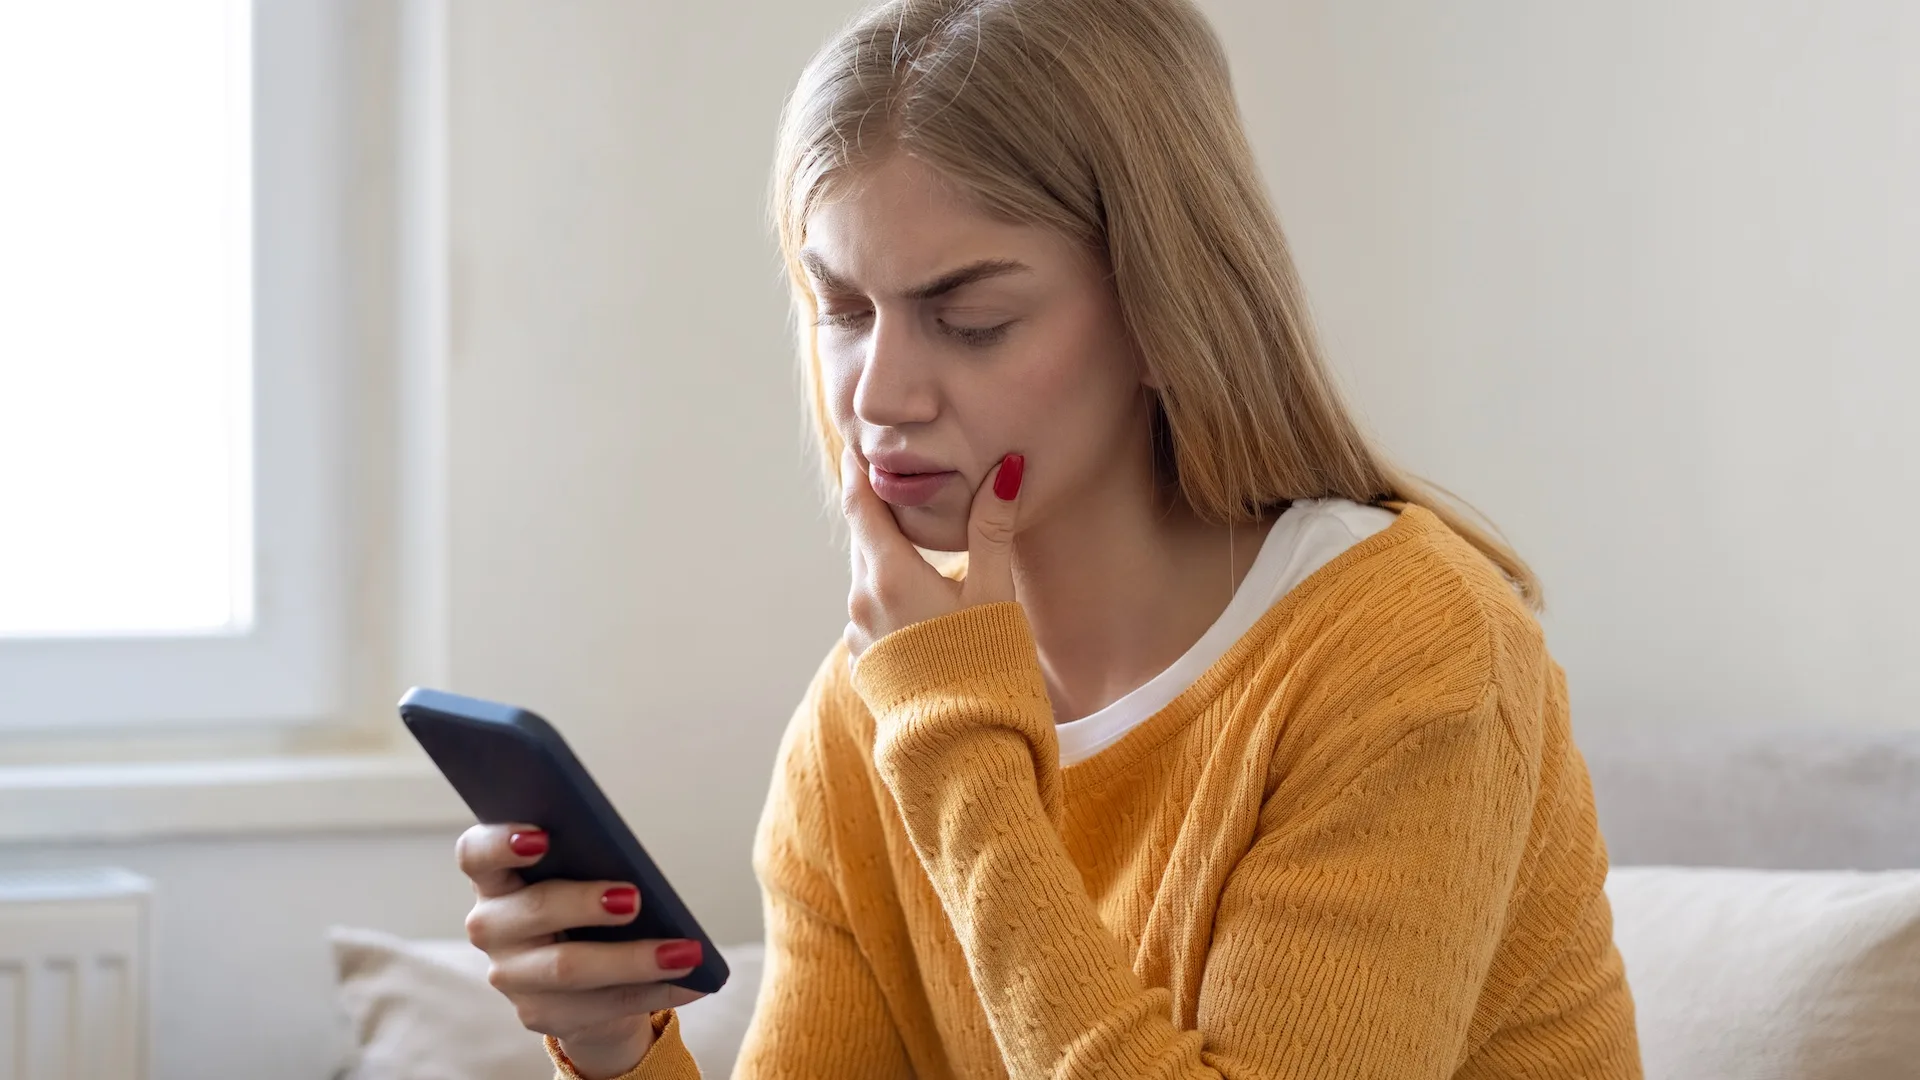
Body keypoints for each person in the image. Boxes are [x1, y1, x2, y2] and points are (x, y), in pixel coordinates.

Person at [455, 0, 1643, 1076]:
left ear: (1166, 311)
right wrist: (615, 1051)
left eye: (971, 320)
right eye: (846, 311)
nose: (881, 396)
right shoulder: (871, 711)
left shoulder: (1415, 650)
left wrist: (960, 747)